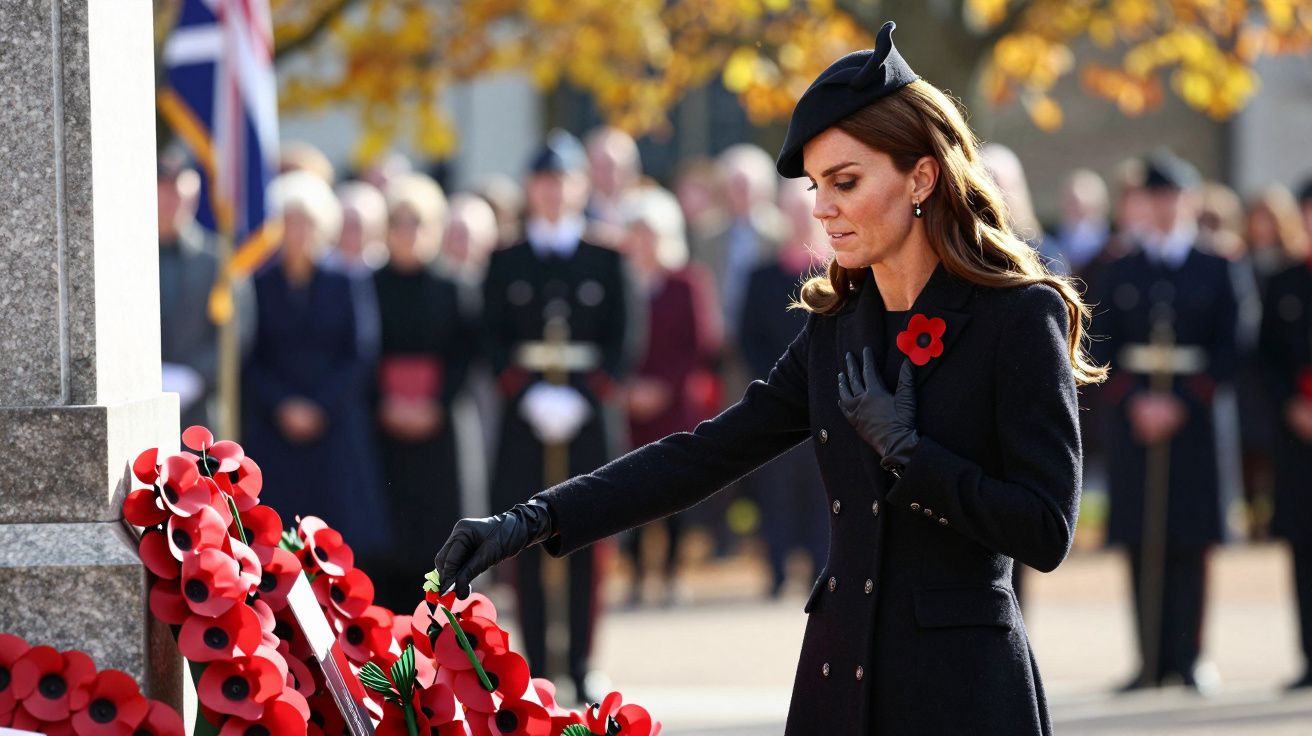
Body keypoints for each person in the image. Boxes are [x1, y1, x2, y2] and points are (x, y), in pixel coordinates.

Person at [437, 21, 1100, 734]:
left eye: (845, 181)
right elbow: (707, 452)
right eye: (818, 185)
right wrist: (534, 519)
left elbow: (1045, 529)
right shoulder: (838, 326)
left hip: (961, 692)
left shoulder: (1016, 316)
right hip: (837, 683)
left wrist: (912, 454)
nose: (822, 207)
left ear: (921, 177)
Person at [479, 132, 633, 702]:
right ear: (529, 188)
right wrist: (527, 397)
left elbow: (622, 343)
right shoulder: (504, 260)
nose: (553, 191)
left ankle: (584, 663)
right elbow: (492, 341)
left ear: (580, 187)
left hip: (587, 425)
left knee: (587, 543)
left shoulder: (608, 258)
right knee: (525, 540)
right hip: (526, 425)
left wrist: (584, 399)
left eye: (564, 180)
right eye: (544, 180)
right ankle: (539, 664)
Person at [1091, 149, 1239, 692]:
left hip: (1194, 422)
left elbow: (1232, 345)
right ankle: (1150, 659)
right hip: (1136, 420)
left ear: (1191, 202)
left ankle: (1190, 656)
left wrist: (1182, 402)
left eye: (1173, 197)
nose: (1163, 208)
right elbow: (1098, 343)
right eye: (1154, 197)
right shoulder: (1119, 267)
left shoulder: (1217, 264)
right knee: (1140, 536)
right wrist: (1134, 401)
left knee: (1191, 538)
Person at [242, 171, 390, 557]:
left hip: (335, 428)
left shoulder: (346, 280)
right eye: (289, 221)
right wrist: (283, 405)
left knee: (337, 543)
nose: (297, 231)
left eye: (306, 221)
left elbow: (360, 353)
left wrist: (320, 406)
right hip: (275, 430)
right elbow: (250, 357)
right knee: (278, 543)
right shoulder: (260, 283)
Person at [370, 173, 474, 613]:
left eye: (419, 222)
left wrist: (437, 403)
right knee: (384, 543)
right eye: (400, 221)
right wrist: (383, 404)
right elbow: (359, 352)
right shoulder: (367, 286)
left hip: (438, 430)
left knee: (435, 546)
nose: (408, 232)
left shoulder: (454, 287)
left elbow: (466, 356)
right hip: (382, 431)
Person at [616, 185, 722, 606]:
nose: (643, 241)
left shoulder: (688, 282)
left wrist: (663, 388)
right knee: (631, 491)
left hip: (675, 404)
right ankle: (638, 575)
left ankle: (674, 571)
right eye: (635, 232)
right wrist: (626, 387)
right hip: (628, 406)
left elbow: (701, 343)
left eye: (650, 232)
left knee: (673, 489)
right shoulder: (621, 282)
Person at [739, 177, 830, 597]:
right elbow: (748, 336)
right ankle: (775, 571)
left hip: (831, 398)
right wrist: (779, 382)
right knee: (774, 489)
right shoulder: (761, 276)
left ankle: (822, 568)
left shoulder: (840, 272)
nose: (798, 217)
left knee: (824, 487)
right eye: (790, 210)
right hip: (779, 396)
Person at [1259, 175, 1312, 689]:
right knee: (1304, 547)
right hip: (1299, 434)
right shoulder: (1284, 282)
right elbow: (1267, 360)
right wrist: (1292, 407)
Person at [157, 151, 220, 430]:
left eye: (180, 193)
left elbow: (236, 332)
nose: (172, 202)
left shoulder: (217, 260)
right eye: (164, 192)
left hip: (199, 410)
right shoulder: (126, 261)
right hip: (138, 398)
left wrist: (195, 375)